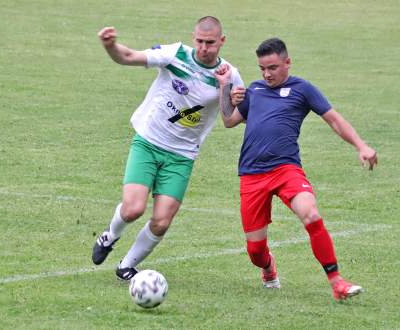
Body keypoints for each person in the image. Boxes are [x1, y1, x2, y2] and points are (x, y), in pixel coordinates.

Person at [215, 37, 377, 300]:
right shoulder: (254, 90)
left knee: (311, 214)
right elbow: (229, 120)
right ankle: (268, 267)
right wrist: (224, 89)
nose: (267, 74)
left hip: (285, 169)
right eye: (262, 69)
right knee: (255, 251)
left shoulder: (303, 89)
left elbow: (334, 120)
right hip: (252, 175)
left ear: (287, 62)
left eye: (273, 67)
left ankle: (337, 282)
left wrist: (362, 145)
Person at [92, 17, 244, 281]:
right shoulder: (175, 54)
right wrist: (110, 46)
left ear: (222, 41)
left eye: (210, 43)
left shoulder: (230, 73)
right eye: (199, 41)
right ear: (193, 37)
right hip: (149, 142)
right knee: (133, 209)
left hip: (182, 156)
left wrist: (224, 89)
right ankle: (110, 235)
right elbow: (128, 56)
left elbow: (230, 120)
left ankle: (126, 266)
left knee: (162, 221)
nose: (204, 48)